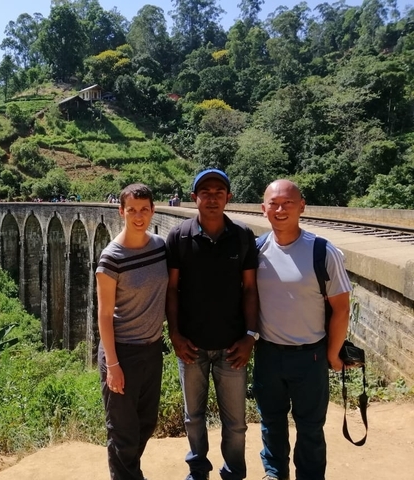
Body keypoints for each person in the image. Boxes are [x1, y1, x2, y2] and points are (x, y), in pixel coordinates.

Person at [253, 179, 352, 480]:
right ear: (263, 209)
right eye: (274, 203)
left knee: (310, 428)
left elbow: (341, 308)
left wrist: (333, 353)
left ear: (302, 207)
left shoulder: (322, 251)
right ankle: (274, 474)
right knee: (271, 423)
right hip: (268, 354)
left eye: (288, 203)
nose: (280, 209)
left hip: (310, 357)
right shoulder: (256, 250)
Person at [165, 169, 259, 480]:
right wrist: (175, 334)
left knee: (236, 422)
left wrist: (250, 336)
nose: (213, 197)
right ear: (195, 198)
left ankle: (233, 473)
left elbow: (251, 289)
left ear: (229, 197)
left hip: (233, 346)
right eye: (206, 192)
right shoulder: (179, 236)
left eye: (219, 191)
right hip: (191, 345)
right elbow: (171, 288)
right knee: (194, 417)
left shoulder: (243, 237)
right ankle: (198, 471)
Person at [96, 183, 169, 480]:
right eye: (132, 210)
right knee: (123, 431)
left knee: (146, 423)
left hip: (152, 350)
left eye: (144, 209)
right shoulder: (111, 258)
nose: (138, 216)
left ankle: (129, 473)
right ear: (121, 211)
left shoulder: (161, 247)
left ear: (152, 210)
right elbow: (103, 315)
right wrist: (112, 365)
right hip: (122, 352)